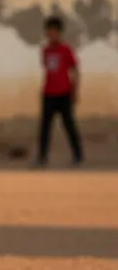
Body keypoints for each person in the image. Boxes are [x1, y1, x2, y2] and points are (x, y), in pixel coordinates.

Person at [36, 16, 82, 166]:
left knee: (69, 125)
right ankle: (42, 157)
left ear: (59, 33)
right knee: (45, 128)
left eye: (55, 31)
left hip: (64, 93)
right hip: (48, 94)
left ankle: (78, 155)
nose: (52, 34)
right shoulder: (45, 50)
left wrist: (75, 91)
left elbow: (75, 70)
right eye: (49, 31)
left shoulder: (66, 50)